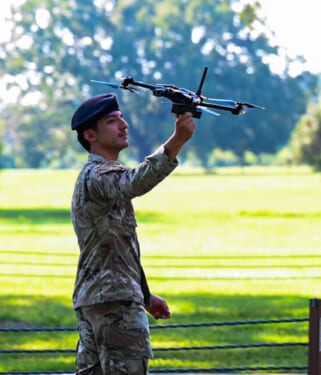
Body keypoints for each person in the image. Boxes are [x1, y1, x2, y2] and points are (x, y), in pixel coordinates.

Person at [70, 93, 196, 374]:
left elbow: (114, 247)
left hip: (102, 300)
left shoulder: (96, 176)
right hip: (114, 305)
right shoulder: (99, 174)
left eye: (122, 119)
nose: (123, 125)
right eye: (112, 121)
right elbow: (134, 182)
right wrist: (177, 141)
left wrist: (144, 295)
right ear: (90, 134)